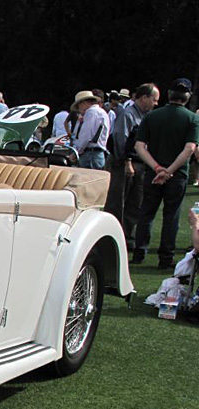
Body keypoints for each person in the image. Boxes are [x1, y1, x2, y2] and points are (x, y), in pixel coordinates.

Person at [132, 78, 199, 268]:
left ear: (169, 94)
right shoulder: (192, 119)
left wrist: (156, 168)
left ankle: (139, 252)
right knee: (171, 216)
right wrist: (169, 171)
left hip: (153, 172)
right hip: (177, 174)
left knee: (146, 213)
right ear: (188, 97)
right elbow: (189, 148)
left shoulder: (152, 116)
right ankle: (166, 257)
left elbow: (139, 146)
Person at [106, 83, 158, 246]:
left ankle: (127, 237)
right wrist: (126, 161)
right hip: (124, 164)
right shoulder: (128, 115)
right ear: (144, 98)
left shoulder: (144, 116)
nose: (156, 103)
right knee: (118, 201)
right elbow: (121, 139)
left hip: (138, 164)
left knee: (135, 203)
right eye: (154, 100)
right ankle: (112, 236)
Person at [69, 90, 109, 169]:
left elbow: (86, 136)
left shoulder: (91, 112)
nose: (79, 109)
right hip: (95, 154)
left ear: (83, 103)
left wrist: (76, 152)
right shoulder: (100, 112)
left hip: (90, 154)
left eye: (78, 106)